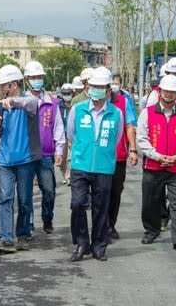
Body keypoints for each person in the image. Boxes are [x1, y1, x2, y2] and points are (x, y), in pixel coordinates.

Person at [67, 66, 123, 262]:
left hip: (104, 167)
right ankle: (81, 243)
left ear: (108, 89)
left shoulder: (116, 114)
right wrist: (84, 151)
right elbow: (71, 135)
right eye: (94, 86)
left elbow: (116, 139)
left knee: (101, 208)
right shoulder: (77, 110)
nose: (97, 89)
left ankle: (99, 246)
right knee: (77, 204)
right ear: (89, 87)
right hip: (80, 166)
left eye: (101, 86)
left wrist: (101, 154)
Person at [137, 74, 176, 253]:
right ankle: (151, 230)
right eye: (166, 91)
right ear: (160, 91)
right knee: (150, 202)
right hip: (153, 167)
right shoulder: (147, 113)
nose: (169, 94)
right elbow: (142, 139)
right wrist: (156, 156)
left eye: (173, 92)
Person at [0, 65, 40, 254]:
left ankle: (23, 234)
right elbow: (0, 133)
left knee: (25, 200)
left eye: (3, 86)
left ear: (13, 84)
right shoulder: (0, 104)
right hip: (5, 160)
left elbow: (31, 105)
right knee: (4, 198)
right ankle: (5, 239)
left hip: (25, 159)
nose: (0, 90)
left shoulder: (29, 101)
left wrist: (12, 101)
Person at [23, 61, 65, 234]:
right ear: (27, 79)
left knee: (48, 190)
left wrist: (60, 150)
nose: (37, 80)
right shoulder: (21, 102)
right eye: (33, 77)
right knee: (26, 193)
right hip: (25, 155)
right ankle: (29, 223)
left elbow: (58, 127)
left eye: (39, 77)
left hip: (46, 154)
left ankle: (47, 218)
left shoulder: (52, 103)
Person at [108, 74, 138, 241]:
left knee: (116, 192)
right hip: (99, 157)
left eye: (115, 84)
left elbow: (129, 126)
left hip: (119, 156)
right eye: (110, 84)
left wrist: (132, 149)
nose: (112, 87)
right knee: (101, 192)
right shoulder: (95, 102)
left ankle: (111, 224)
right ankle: (102, 225)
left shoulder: (123, 102)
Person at [58, 83, 74, 186]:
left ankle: (70, 176)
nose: (66, 95)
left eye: (68, 93)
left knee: (72, 156)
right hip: (62, 134)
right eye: (64, 93)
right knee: (63, 157)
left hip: (73, 134)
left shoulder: (75, 104)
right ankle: (65, 174)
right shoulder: (59, 105)